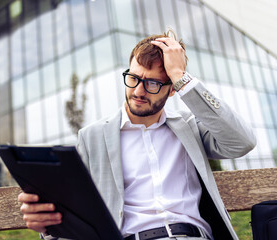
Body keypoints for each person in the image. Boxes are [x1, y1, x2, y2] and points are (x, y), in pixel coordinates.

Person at [18, 31, 256, 240]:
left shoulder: (189, 127)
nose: (138, 91)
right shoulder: (92, 137)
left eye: (152, 83)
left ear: (172, 89)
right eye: (133, 78)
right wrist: (48, 225)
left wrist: (182, 77)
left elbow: (242, 142)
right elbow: (76, 213)